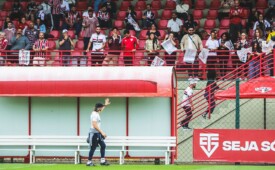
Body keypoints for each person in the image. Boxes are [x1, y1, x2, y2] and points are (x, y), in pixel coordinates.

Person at [86, 98, 111, 166]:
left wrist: (105, 104)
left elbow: (101, 109)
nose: (102, 108)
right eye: (101, 107)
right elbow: (94, 125)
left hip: (97, 133)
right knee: (93, 148)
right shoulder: (94, 114)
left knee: (103, 145)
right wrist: (102, 132)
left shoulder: (96, 113)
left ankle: (102, 161)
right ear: (98, 108)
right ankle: (89, 162)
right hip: (94, 133)